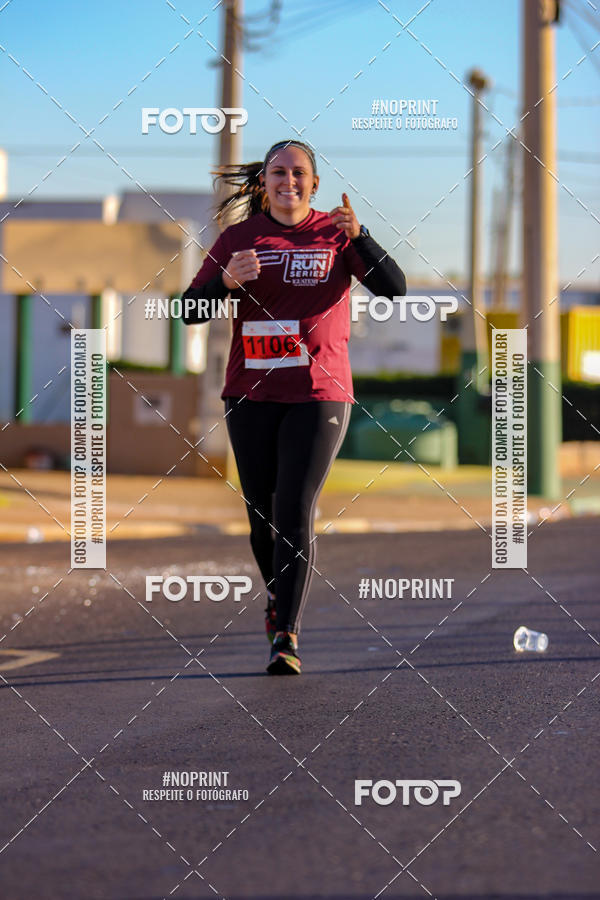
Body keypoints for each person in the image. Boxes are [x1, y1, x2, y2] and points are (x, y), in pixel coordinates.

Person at [182, 139, 406, 675]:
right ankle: (278, 600)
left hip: (318, 394)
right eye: (278, 172)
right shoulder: (238, 238)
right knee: (260, 517)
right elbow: (189, 309)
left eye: (299, 172)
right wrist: (225, 282)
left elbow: (394, 289)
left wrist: (364, 238)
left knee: (293, 509)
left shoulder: (337, 233)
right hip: (251, 393)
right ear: (265, 182)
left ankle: (286, 633)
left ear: (315, 184)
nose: (289, 181)